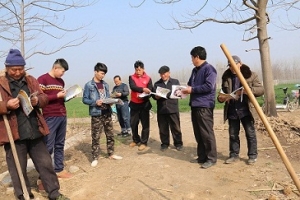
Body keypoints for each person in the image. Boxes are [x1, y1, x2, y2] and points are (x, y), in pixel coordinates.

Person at [0, 49, 69, 200]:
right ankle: (24, 195)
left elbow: (43, 97)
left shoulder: (31, 80)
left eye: (20, 69)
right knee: (18, 168)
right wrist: (6, 105)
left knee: (45, 164)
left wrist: (38, 101)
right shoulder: (1, 83)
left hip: (34, 129)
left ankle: (54, 193)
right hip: (14, 133)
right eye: (14, 70)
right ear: (7, 68)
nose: (17, 73)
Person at [217, 55, 264, 165]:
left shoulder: (251, 75)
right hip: (232, 109)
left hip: (246, 110)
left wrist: (248, 90)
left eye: (234, 65)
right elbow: (222, 94)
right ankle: (234, 155)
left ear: (240, 63)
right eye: (230, 66)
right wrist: (223, 97)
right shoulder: (226, 77)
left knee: (250, 133)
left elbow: (261, 90)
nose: (232, 68)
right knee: (233, 134)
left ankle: (252, 155)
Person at [181, 46, 217, 169]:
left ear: (197, 57)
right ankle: (202, 156)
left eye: (192, 57)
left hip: (204, 105)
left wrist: (192, 90)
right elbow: (190, 84)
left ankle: (211, 158)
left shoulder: (209, 69)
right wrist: (183, 89)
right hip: (195, 105)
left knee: (206, 133)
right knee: (198, 133)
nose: (191, 60)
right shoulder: (195, 70)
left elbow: (209, 86)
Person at [82, 62, 122, 167]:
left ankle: (111, 153)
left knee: (110, 134)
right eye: (101, 73)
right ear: (95, 72)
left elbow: (107, 97)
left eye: (104, 73)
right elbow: (85, 99)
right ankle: (95, 157)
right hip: (96, 114)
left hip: (107, 112)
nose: (102, 75)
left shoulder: (105, 84)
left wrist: (111, 101)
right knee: (96, 136)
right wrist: (95, 102)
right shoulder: (89, 85)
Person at [37, 59, 71, 179]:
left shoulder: (61, 81)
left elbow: (60, 98)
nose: (63, 74)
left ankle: (59, 169)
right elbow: (39, 99)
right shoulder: (42, 79)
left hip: (62, 114)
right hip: (50, 116)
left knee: (60, 144)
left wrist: (67, 96)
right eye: (62, 71)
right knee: (48, 146)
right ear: (55, 68)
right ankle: (43, 176)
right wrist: (57, 95)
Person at [153, 65, 183, 151]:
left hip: (173, 108)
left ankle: (178, 143)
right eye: (161, 74)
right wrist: (157, 97)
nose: (163, 75)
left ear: (169, 73)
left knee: (176, 127)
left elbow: (178, 93)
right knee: (163, 128)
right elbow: (154, 96)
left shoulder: (175, 82)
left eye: (165, 73)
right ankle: (165, 143)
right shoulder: (157, 84)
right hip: (162, 109)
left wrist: (170, 94)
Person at [128, 60, 153, 151]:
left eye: (140, 70)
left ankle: (143, 142)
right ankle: (136, 140)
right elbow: (133, 87)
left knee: (145, 124)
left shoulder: (148, 78)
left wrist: (146, 94)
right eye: (136, 70)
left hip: (144, 104)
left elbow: (150, 89)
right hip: (134, 104)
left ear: (143, 69)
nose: (138, 72)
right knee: (133, 124)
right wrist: (143, 89)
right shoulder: (131, 77)